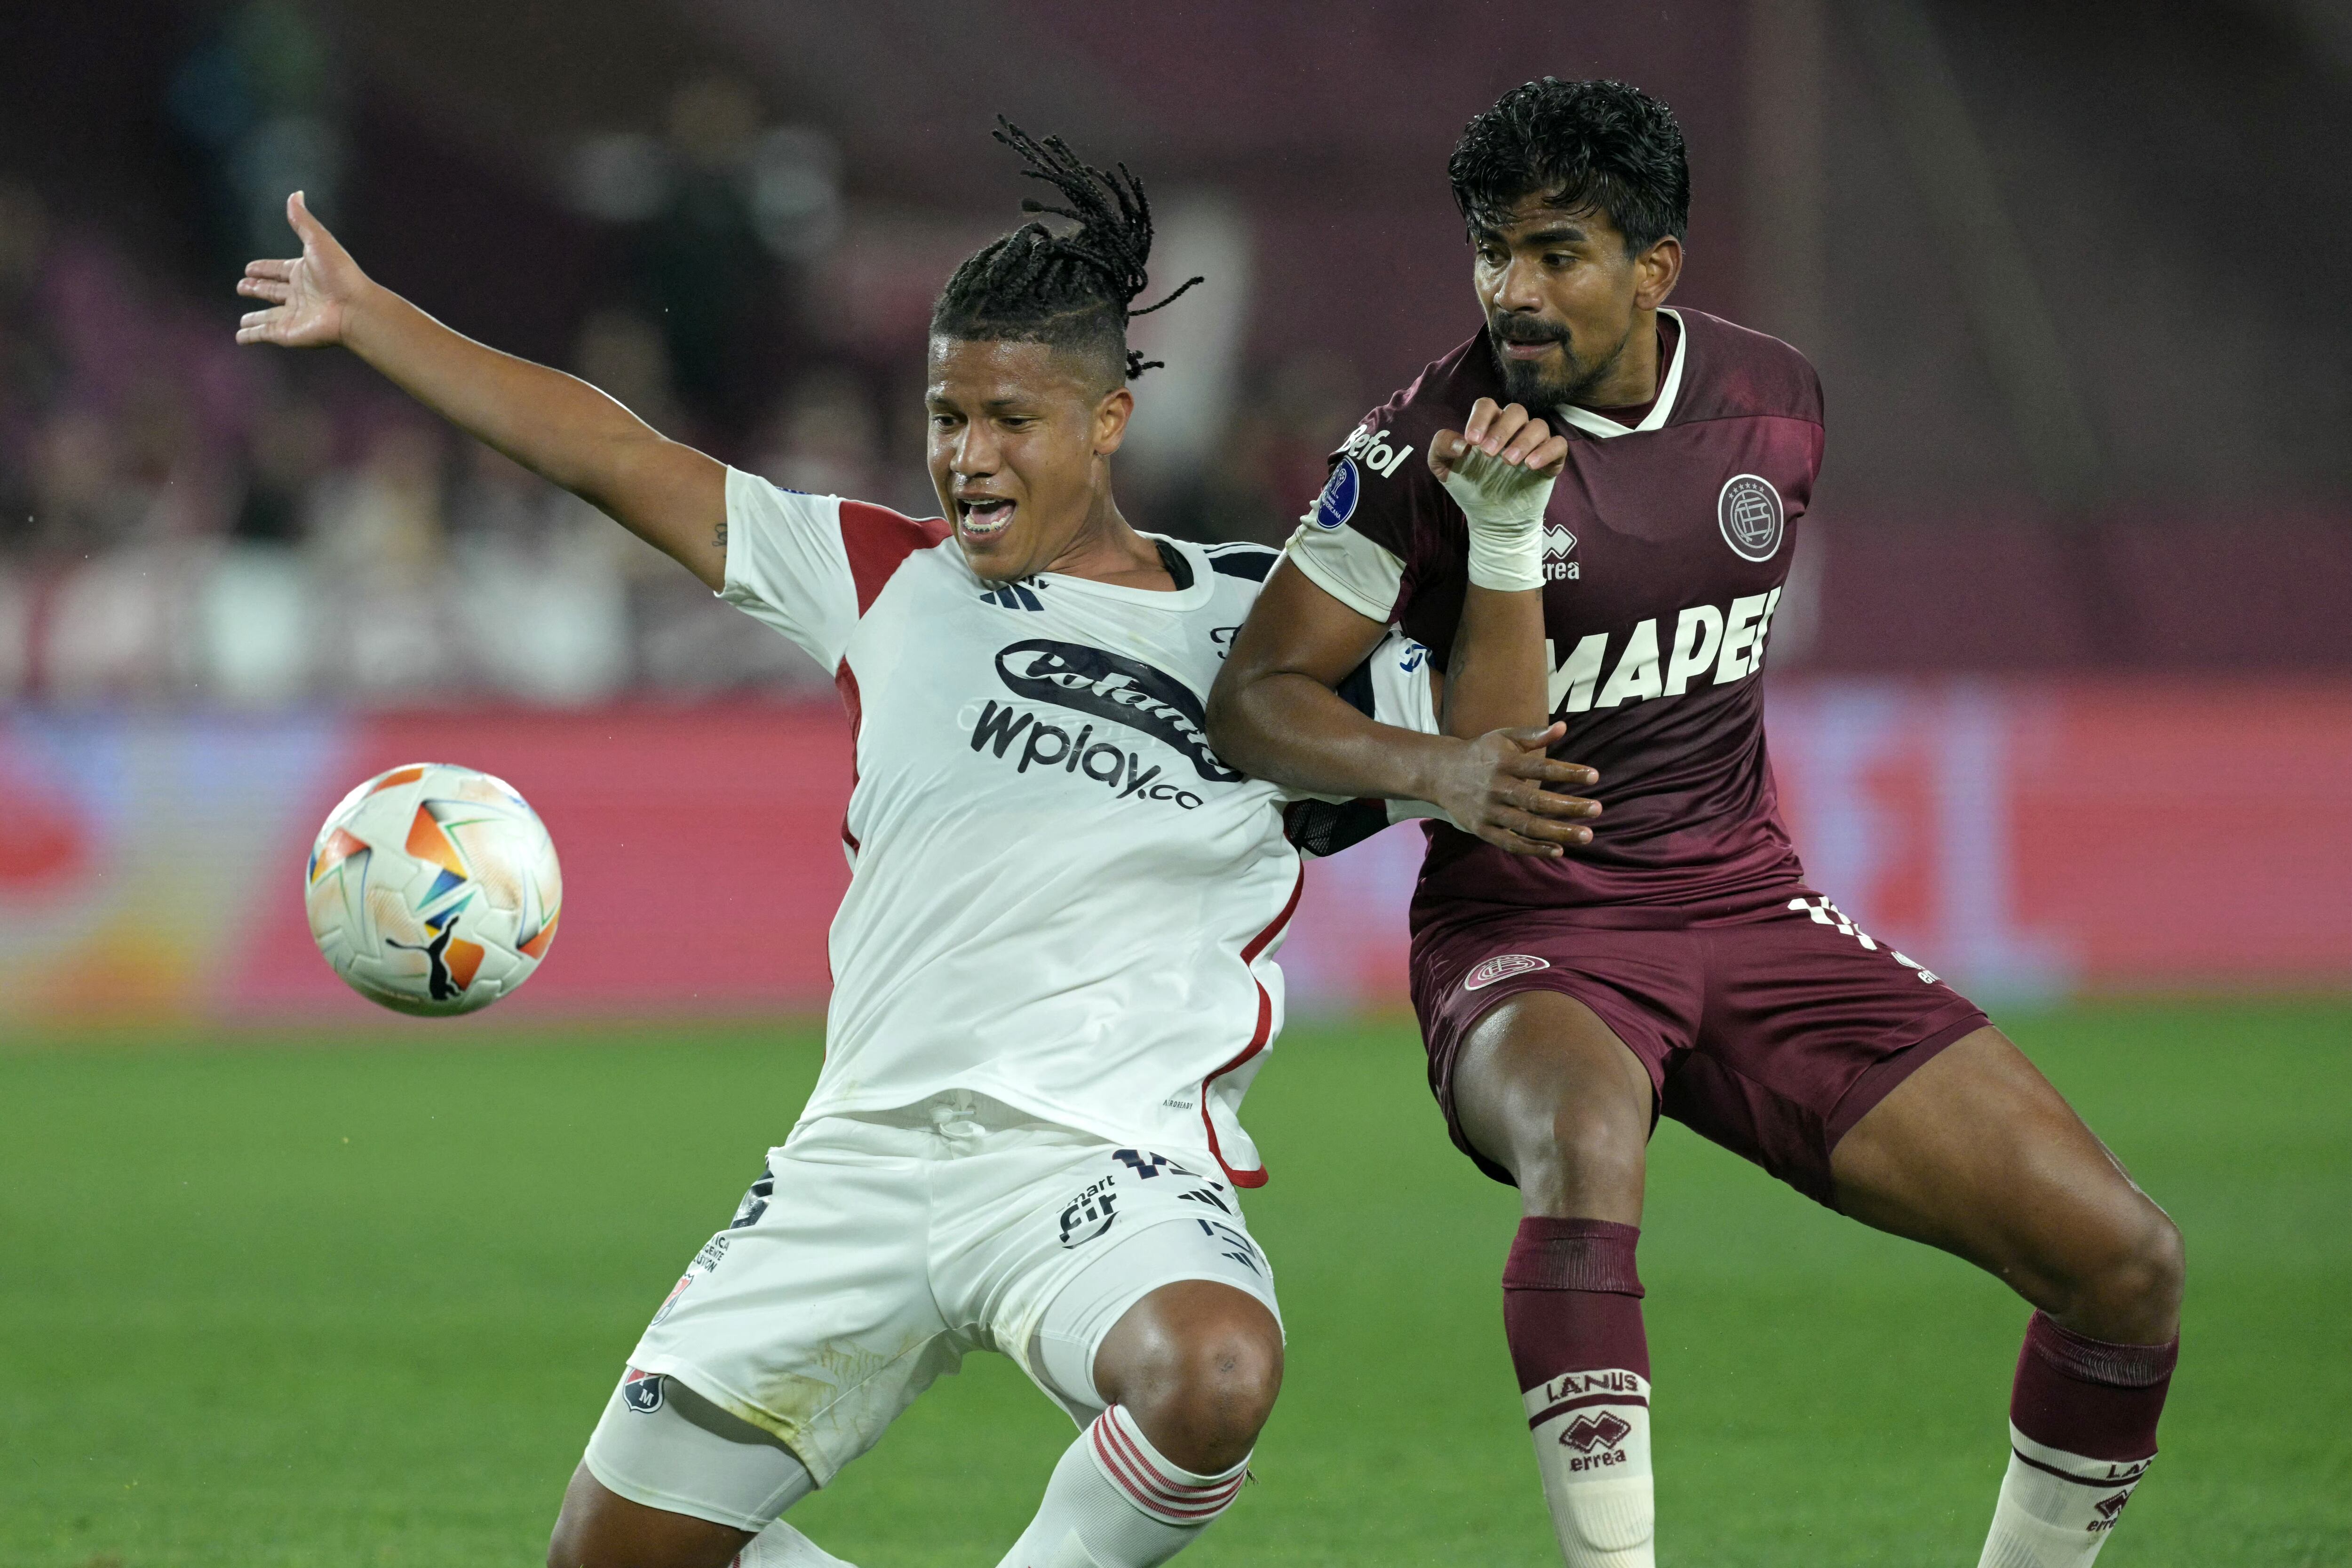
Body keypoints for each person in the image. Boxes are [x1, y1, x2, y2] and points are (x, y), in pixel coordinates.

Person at [236, 121, 1599, 1568]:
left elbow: (1490, 770)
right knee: (609, 1561)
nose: (967, 456)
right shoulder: (881, 577)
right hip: (860, 1163)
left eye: (1011, 419)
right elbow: (617, 459)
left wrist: (1503, 551)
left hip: (1099, 1161)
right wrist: (375, 321)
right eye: (947, 416)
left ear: (1107, 424)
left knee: (1211, 1373)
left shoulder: (1256, 625)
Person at [1205, 78, 2183, 1568]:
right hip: (1532, 935)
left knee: (2124, 1262)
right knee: (1587, 1153)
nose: (1510, 292)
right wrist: (1436, 771)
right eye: (1489, 251)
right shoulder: (1417, 440)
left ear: (1656, 265)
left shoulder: (1776, 402)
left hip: (1749, 908)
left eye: (1553, 254)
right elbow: (1255, 699)